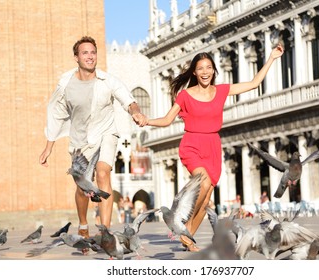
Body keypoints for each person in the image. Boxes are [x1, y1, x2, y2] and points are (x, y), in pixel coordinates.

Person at [144, 45, 284, 251]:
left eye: (208, 67)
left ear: (214, 70)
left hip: (213, 146)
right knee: (203, 182)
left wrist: (271, 57)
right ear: (194, 71)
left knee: (207, 197)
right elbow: (166, 120)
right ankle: (182, 225)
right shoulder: (185, 95)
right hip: (192, 144)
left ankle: (188, 238)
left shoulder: (221, 91)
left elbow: (254, 83)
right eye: (200, 68)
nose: (205, 72)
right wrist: (146, 120)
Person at [39, 36, 148, 247]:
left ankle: (105, 233)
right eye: (85, 53)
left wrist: (135, 112)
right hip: (80, 141)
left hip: (106, 133)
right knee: (83, 189)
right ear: (76, 58)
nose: (90, 56)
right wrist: (48, 146)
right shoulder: (65, 84)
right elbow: (56, 114)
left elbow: (128, 100)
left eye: (93, 52)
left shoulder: (108, 81)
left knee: (102, 173)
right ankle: (82, 223)